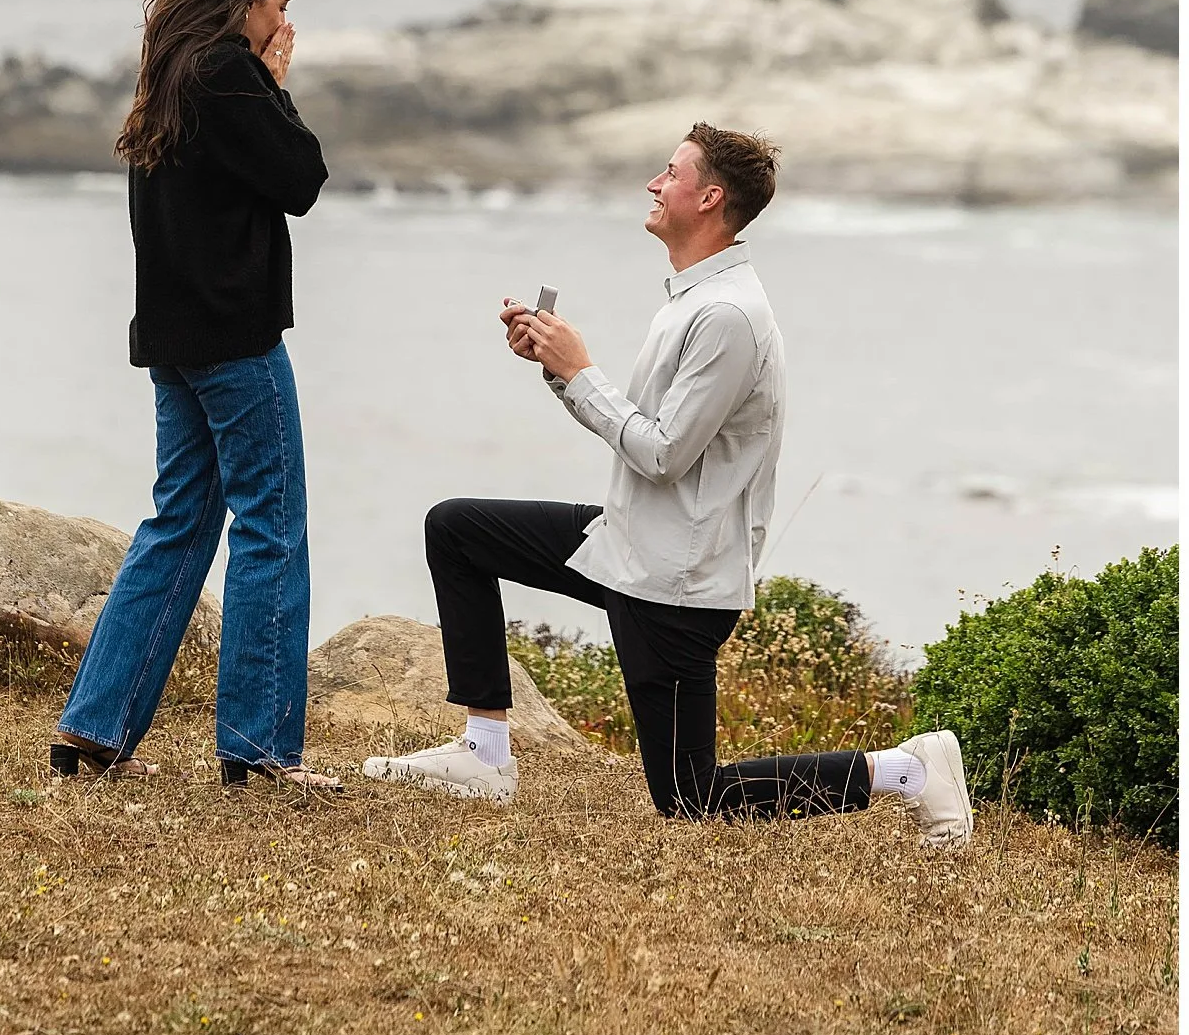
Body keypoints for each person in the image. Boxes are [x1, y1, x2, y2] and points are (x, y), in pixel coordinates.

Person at [364, 122, 973, 846]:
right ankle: (484, 755)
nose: (655, 184)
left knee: (690, 796)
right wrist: (559, 371)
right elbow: (650, 429)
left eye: (670, 172)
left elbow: (661, 454)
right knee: (458, 529)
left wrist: (581, 370)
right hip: (632, 543)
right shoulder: (694, 298)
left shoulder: (727, 315)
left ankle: (908, 769)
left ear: (709, 197)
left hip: (674, 580)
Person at [50, 0, 341, 793]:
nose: (282, 24)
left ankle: (94, 729)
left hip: (174, 342)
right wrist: (278, 89)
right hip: (233, 340)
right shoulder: (226, 70)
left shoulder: (170, 69)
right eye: (280, 7)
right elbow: (300, 179)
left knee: (178, 523)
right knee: (271, 525)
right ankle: (257, 748)